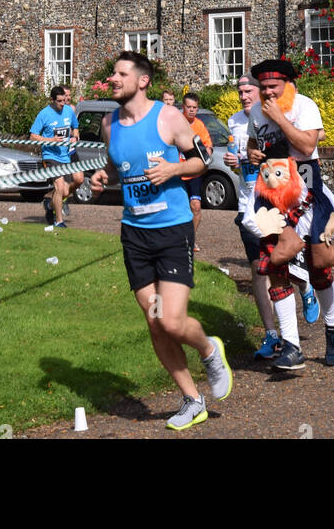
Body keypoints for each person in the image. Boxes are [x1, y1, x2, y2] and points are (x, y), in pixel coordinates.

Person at [90, 51, 233, 430]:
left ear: (142, 81)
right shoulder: (109, 124)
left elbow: (202, 159)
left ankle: (208, 348)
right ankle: (191, 399)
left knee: (171, 320)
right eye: (113, 73)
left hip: (172, 230)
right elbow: (116, 162)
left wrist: (173, 168)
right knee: (155, 323)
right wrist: (102, 177)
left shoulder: (167, 117)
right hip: (134, 234)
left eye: (121, 73)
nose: (114, 79)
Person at [246, 59, 334, 367]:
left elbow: (307, 144)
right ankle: (291, 345)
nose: (267, 93)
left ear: (288, 85)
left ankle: (333, 328)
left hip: (306, 185)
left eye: (273, 87)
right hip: (271, 188)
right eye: (262, 88)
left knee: (318, 268)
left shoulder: (304, 106)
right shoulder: (255, 111)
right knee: (276, 266)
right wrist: (252, 151)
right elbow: (254, 141)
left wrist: (280, 118)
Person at [225, 75, 282, 359]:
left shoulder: (273, 117)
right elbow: (238, 160)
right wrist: (234, 162)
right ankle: (272, 335)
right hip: (247, 203)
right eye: (240, 92)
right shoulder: (234, 121)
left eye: (248, 91)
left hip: (273, 202)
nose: (243, 96)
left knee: (284, 264)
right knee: (258, 269)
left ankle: (309, 286)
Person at [30, 85, 84, 228]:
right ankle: (59, 221)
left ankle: (49, 204)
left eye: (63, 100)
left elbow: (75, 127)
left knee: (65, 191)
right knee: (59, 187)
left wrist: (75, 137)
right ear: (52, 100)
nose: (62, 104)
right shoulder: (44, 114)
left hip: (65, 155)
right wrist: (51, 141)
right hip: (50, 155)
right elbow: (33, 136)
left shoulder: (68, 110)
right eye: (59, 101)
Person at [179, 93, 212, 251]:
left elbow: (207, 145)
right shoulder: (176, 123)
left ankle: (190, 239)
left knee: (196, 206)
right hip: (177, 172)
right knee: (178, 209)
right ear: (183, 107)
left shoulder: (199, 125)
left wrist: (209, 153)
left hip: (194, 173)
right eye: (189, 107)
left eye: (194, 108)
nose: (192, 110)